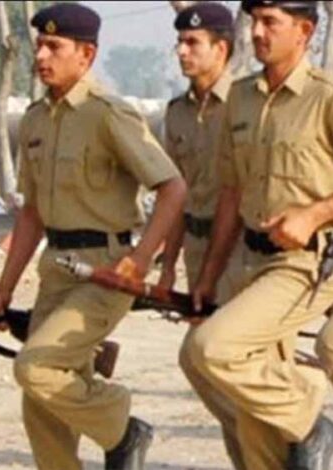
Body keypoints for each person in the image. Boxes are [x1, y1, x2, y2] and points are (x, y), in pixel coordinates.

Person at [0, 3, 186, 469]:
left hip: (105, 269)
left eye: (54, 47)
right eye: (39, 45)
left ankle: (121, 426)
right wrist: (4, 288)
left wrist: (141, 259)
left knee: (36, 367)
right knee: (41, 408)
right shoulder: (35, 119)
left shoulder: (108, 114)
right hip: (55, 269)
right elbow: (31, 215)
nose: (41, 56)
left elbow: (172, 188)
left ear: (86, 54)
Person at [185, 1, 333, 468]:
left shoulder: (325, 97)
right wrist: (208, 276)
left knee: (214, 348)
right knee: (249, 415)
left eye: (271, 21)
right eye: (254, 21)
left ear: (304, 30)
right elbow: (232, 192)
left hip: (304, 263)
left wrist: (313, 214)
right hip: (247, 261)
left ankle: (308, 413)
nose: (257, 32)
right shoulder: (241, 97)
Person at [159, 4, 247, 469]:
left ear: (222, 48)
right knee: (208, 372)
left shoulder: (247, 104)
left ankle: (295, 437)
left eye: (193, 43)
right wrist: (167, 264)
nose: (181, 51)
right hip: (196, 248)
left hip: (241, 250)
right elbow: (176, 194)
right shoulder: (176, 114)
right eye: (180, 42)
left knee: (227, 362)